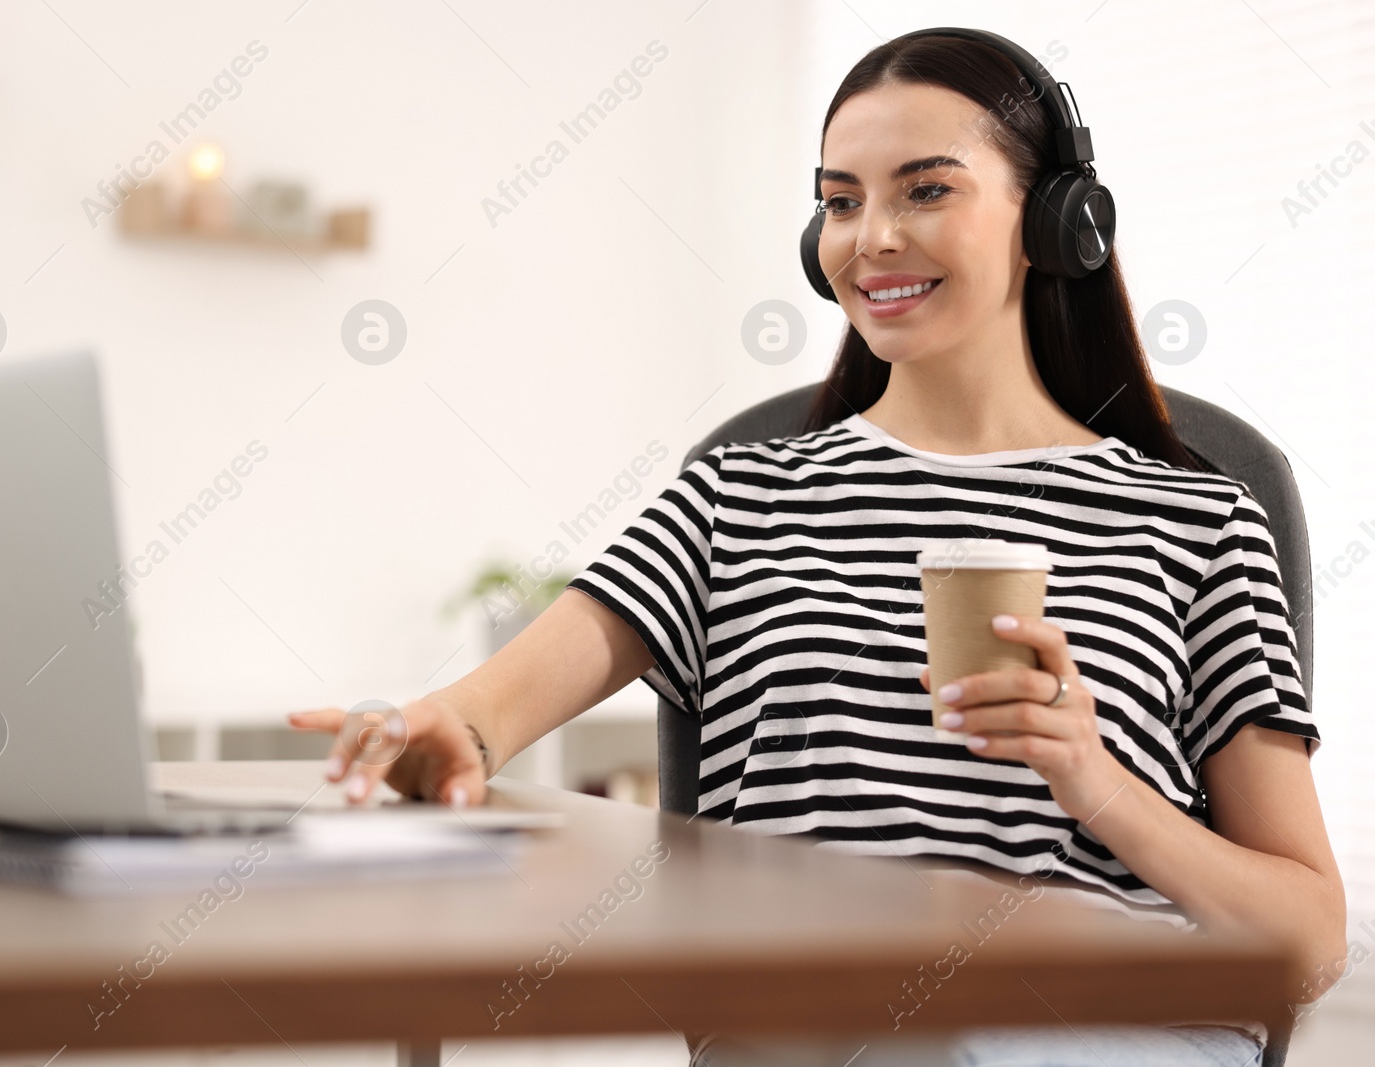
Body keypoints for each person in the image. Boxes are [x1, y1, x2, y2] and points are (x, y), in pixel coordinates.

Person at [288, 28, 1344, 1067]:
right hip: (821, 1021)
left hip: (1103, 1020)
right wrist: (442, 734)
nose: (870, 237)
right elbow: (486, 712)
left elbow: (1307, 942)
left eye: (925, 190)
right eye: (841, 201)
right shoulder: (736, 496)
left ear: (1056, 220)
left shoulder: (1199, 518)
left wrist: (1094, 777)